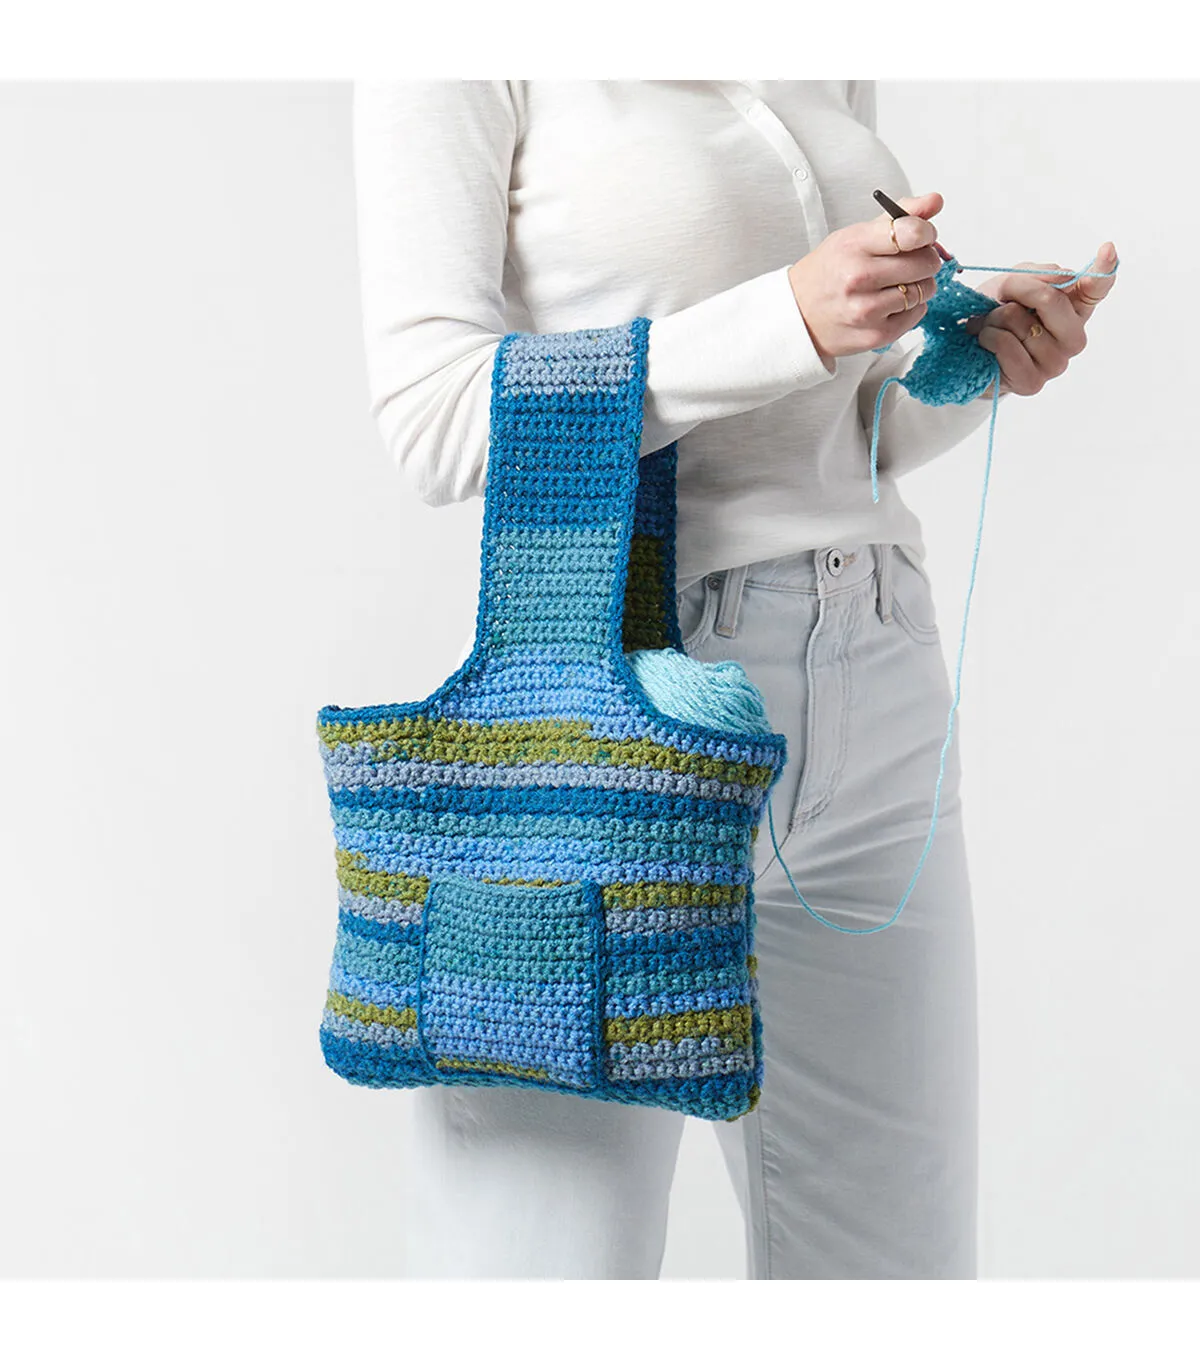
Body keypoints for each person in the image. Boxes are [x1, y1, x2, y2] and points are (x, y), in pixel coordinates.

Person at [349, 79, 1117, 1280]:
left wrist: (967, 365)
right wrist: (785, 316)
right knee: (543, 1275)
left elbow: (829, 433)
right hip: (606, 705)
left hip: (877, 669)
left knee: (897, 1281)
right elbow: (433, 418)